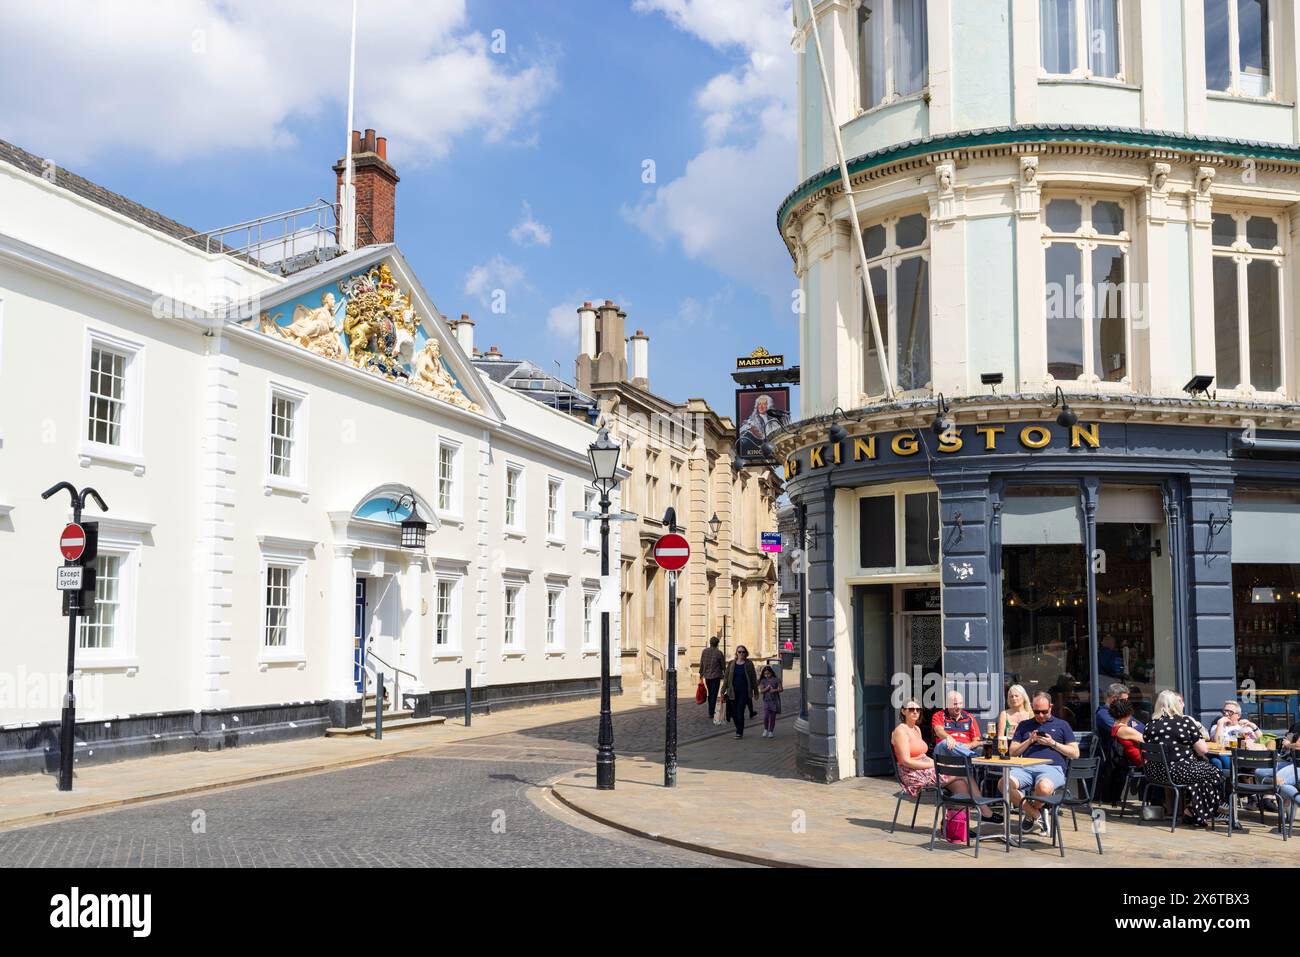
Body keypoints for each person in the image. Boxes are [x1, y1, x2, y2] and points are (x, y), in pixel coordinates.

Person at [894, 700, 999, 824]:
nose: (915, 712)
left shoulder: (916, 728)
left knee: (962, 785)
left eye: (918, 709)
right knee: (963, 773)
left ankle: (956, 824)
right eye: (911, 709)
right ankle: (985, 812)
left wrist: (936, 764)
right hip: (912, 774)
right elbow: (906, 762)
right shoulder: (900, 731)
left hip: (925, 768)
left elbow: (922, 755)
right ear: (903, 711)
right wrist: (934, 765)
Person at [1143, 689, 1231, 829]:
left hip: (1154, 773)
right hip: (1177, 772)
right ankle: (1210, 808)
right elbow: (1203, 750)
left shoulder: (1150, 725)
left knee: (1200, 776)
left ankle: (1194, 812)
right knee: (1213, 771)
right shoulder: (1184, 722)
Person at [1004, 692, 1080, 833]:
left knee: (1044, 787)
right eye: (1036, 711)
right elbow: (1013, 752)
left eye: (1043, 712)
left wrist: (1053, 744)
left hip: (1052, 768)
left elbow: (1075, 753)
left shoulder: (1062, 725)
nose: (1039, 715)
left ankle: (1030, 813)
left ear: (1051, 707)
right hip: (1025, 767)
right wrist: (1029, 740)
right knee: (1004, 783)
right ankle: (1037, 814)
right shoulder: (1024, 725)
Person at [1207, 700, 1259, 771]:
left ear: (1238, 715)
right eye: (1224, 711)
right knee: (1217, 761)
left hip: (1242, 758)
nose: (1226, 714)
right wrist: (1220, 723)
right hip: (1225, 756)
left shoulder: (1244, 727)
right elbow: (1218, 744)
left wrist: (1253, 726)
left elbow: (1262, 741)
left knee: (1217, 761)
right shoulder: (1217, 727)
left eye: (1230, 712)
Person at [931, 690, 984, 759]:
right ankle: (972, 757)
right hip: (945, 753)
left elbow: (977, 741)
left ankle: (965, 753)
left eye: (960, 703)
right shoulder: (938, 715)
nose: (958, 707)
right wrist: (948, 737)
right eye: (955, 704)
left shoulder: (970, 718)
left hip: (964, 750)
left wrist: (969, 745)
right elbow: (939, 731)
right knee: (944, 743)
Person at [721, 645, 758, 739]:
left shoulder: (749, 664)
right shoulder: (731, 664)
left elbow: (753, 678)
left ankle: (739, 732)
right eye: (739, 652)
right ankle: (739, 728)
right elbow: (726, 678)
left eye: (743, 652)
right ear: (736, 653)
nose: (741, 653)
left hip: (744, 692)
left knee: (740, 711)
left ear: (746, 653)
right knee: (733, 713)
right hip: (732, 692)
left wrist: (756, 691)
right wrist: (722, 690)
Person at [699, 636, 725, 721]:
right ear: (717, 644)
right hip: (716, 676)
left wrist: (701, 673)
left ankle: (710, 711)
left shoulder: (704, 651)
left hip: (707, 676)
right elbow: (723, 665)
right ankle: (711, 712)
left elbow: (701, 663)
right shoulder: (719, 653)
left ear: (710, 643)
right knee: (714, 694)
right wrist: (726, 673)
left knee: (710, 694)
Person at [758, 665, 782, 738]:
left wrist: (774, 690)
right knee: (766, 716)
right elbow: (761, 691)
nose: (767, 675)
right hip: (766, 701)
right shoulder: (763, 680)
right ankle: (765, 729)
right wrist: (767, 688)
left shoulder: (777, 679)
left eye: (768, 673)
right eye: (765, 674)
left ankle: (771, 731)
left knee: (772, 717)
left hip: (775, 701)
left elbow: (781, 689)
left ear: (771, 672)